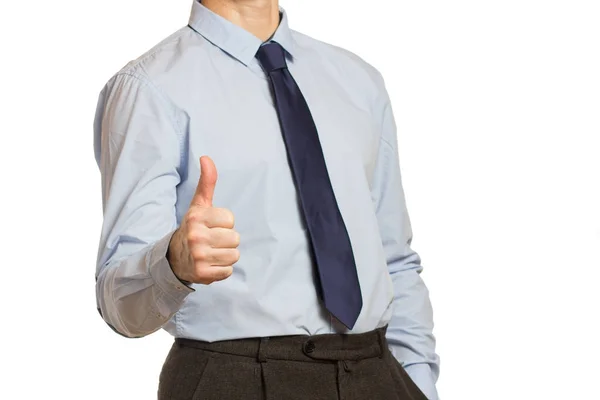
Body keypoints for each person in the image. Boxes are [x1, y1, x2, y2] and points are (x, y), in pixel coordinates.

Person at [93, 0, 440, 398]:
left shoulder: (358, 80)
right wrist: (173, 265)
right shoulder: (148, 88)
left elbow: (393, 258)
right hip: (235, 377)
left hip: (377, 373)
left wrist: (418, 382)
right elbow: (119, 301)